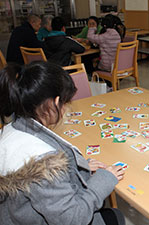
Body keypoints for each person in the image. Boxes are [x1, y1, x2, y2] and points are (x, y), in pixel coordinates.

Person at [0, 61, 125, 225]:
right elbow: (73, 218)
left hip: (15, 215)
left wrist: (75, 167)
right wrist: (104, 180)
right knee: (116, 216)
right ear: (54, 103)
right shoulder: (43, 165)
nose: (66, 109)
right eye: (65, 103)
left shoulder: (14, 128)